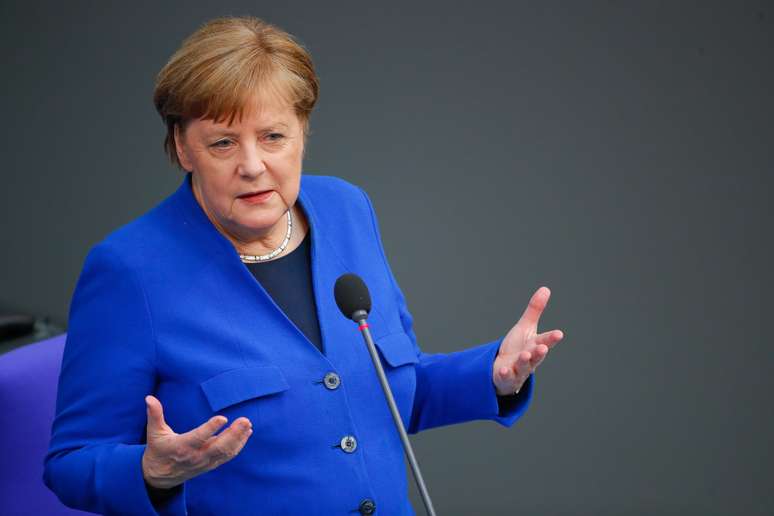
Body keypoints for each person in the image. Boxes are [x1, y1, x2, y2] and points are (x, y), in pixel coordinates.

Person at [43, 15, 565, 516]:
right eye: (223, 143)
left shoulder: (346, 210)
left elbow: (393, 394)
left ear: (303, 132)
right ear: (183, 147)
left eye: (273, 137)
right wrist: (153, 471)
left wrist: (495, 375)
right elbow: (71, 463)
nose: (252, 165)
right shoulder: (129, 271)